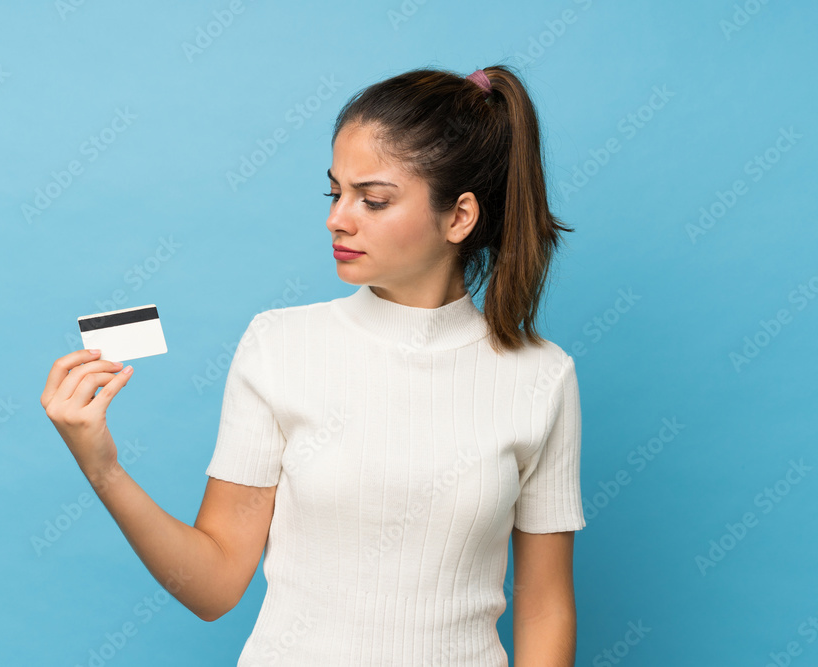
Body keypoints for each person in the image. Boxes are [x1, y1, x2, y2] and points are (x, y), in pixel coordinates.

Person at [41, 63, 585, 666]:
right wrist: (102, 466)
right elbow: (215, 584)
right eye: (335, 192)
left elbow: (544, 606)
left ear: (459, 217)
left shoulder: (541, 377)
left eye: (372, 200)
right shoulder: (279, 346)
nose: (337, 218)